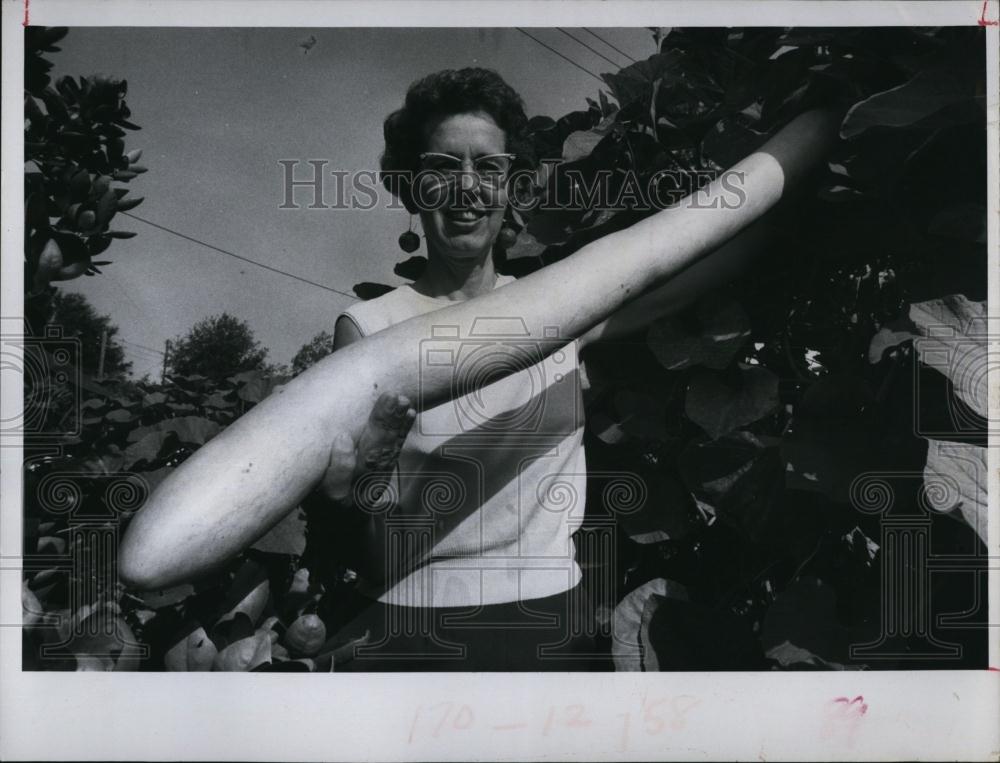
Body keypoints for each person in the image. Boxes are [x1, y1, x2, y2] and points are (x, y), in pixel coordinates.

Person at [119, 67, 839, 671]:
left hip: (549, 621)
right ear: (409, 187)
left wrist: (822, 151)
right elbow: (354, 498)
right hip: (415, 623)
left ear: (511, 187)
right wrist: (370, 464)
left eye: (488, 168)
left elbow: (707, 256)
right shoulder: (370, 328)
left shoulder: (567, 306)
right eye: (440, 168)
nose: (466, 188)